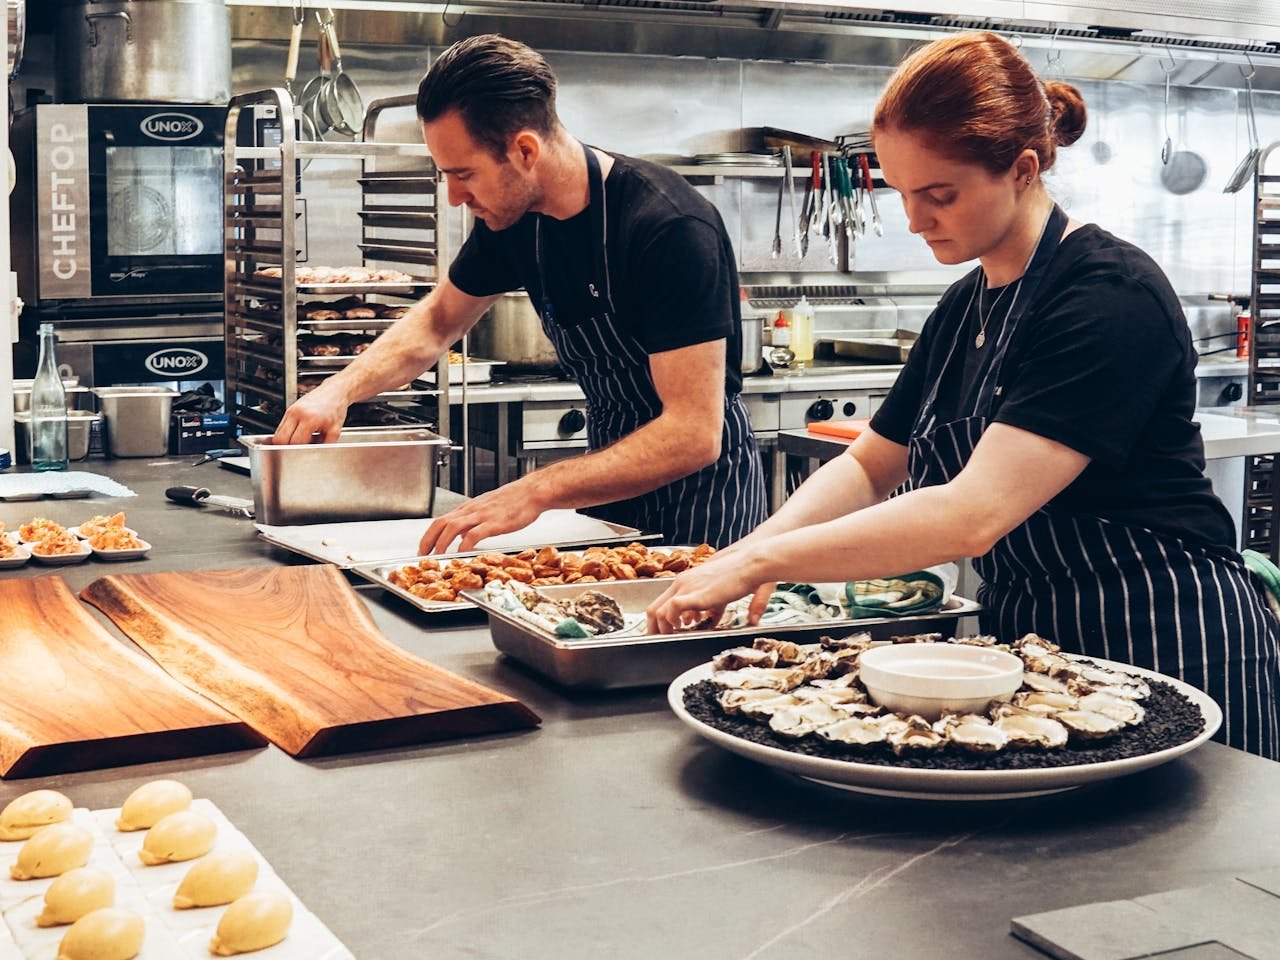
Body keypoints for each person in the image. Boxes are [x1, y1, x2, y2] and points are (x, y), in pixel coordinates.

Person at [646, 31, 1280, 760]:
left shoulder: (1108, 295)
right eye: (902, 193)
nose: (915, 221)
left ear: (1021, 169)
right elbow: (869, 467)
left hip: (1167, 632)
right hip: (1037, 650)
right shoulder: (964, 305)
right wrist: (750, 549)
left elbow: (972, 515)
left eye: (938, 195)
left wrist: (766, 564)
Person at [272, 34, 766, 552]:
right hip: (607, 491)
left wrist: (535, 490)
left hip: (705, 509)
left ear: (525, 150)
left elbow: (693, 433)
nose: (456, 196)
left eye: (464, 174)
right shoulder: (514, 221)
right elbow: (439, 321)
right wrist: (338, 391)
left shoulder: (667, 226)